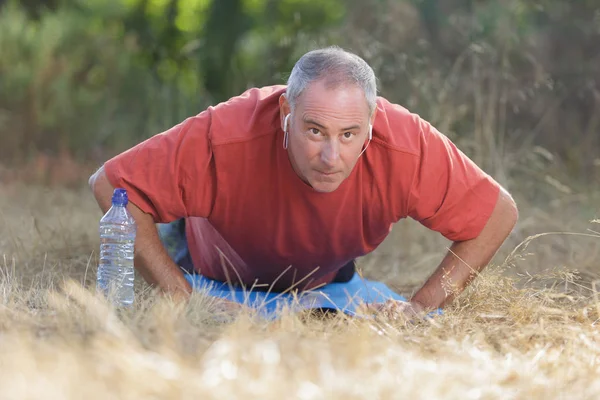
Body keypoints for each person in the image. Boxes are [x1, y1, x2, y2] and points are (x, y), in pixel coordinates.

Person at [89, 46, 518, 319]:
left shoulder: (404, 143)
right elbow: (110, 183)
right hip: (215, 262)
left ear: (372, 124)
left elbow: (497, 213)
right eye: (314, 131)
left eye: (349, 135)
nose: (331, 157)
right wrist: (183, 300)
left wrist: (421, 307)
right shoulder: (227, 131)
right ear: (284, 116)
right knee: (172, 224)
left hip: (324, 272)